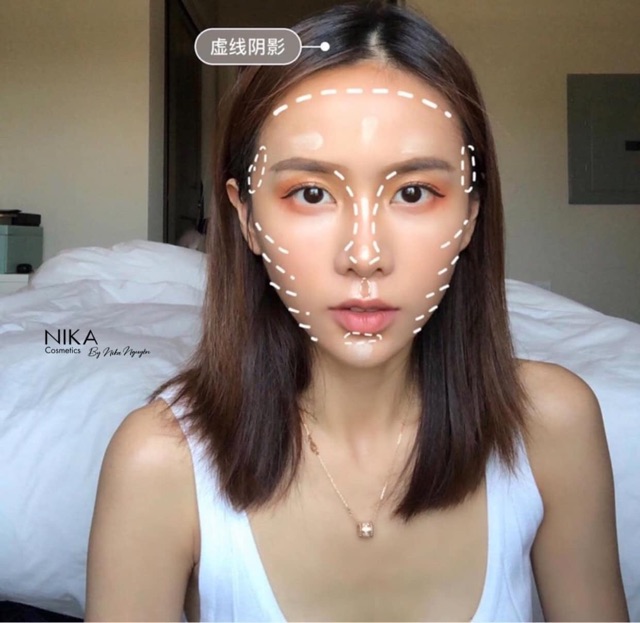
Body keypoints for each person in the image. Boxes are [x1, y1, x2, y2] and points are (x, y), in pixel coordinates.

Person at [85, 1, 629, 621]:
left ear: (471, 216)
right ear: (247, 218)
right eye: (311, 193)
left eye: (414, 192)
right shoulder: (159, 461)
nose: (365, 255)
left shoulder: (553, 426)